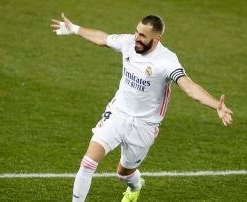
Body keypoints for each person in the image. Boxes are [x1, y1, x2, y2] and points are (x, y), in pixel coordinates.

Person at [51, 13, 233, 202]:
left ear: (157, 38)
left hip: (144, 126)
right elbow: (102, 39)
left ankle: (135, 186)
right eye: (136, 32)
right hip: (117, 114)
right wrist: (75, 29)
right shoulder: (128, 42)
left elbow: (189, 87)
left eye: (142, 36)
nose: (136, 38)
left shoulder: (167, 61)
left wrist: (215, 105)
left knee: (123, 174)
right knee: (88, 163)